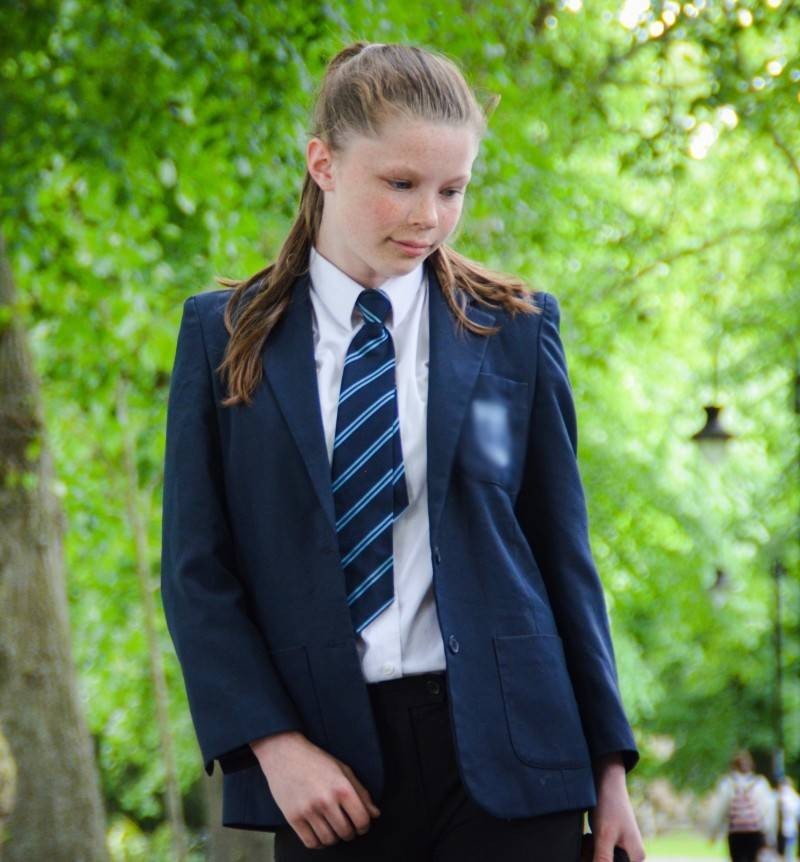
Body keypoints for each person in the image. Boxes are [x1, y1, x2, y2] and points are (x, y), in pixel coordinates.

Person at [160, 40, 645, 862]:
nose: (429, 217)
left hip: (520, 759)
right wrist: (273, 745)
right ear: (323, 163)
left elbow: (560, 553)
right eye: (401, 184)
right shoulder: (224, 337)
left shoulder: (514, 332)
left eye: (452, 190)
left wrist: (610, 767)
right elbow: (196, 571)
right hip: (328, 776)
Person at [708, 750, 777, 862]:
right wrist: (769, 834)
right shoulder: (760, 783)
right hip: (755, 833)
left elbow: (719, 811)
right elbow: (768, 812)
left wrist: (713, 833)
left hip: (735, 833)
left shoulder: (727, 784)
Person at [777, 776, 800, 861]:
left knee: (788, 845)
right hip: (790, 826)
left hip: (787, 826)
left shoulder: (783, 796)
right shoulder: (794, 796)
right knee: (790, 845)